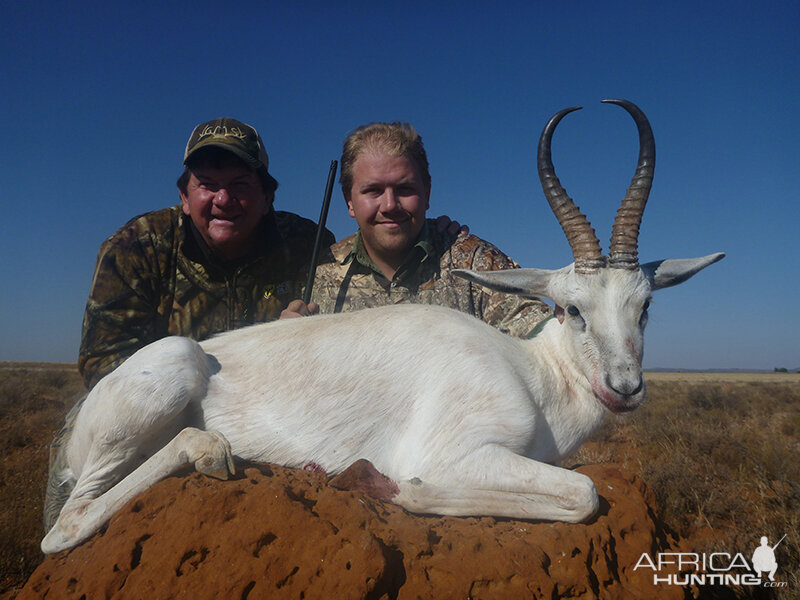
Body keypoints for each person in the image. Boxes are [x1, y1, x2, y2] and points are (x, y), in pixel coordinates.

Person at [45, 117, 334, 530]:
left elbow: (372, 244)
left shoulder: (308, 243)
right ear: (184, 195)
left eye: (240, 184)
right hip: (147, 411)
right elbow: (101, 363)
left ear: (267, 197)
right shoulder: (136, 247)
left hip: (261, 417)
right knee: (71, 494)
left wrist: (441, 234)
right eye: (207, 184)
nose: (223, 198)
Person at [301, 121, 551, 337]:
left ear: (427, 192)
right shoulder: (314, 279)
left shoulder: (475, 263)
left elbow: (542, 338)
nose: (389, 205)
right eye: (373, 191)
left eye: (405, 189)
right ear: (349, 201)